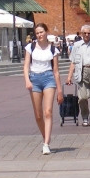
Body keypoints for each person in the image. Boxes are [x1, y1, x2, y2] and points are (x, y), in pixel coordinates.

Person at [23, 23, 64, 154]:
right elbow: (26, 66)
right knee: (38, 115)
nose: (40, 35)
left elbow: (56, 71)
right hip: (34, 79)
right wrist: (27, 80)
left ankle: (46, 143)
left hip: (48, 78)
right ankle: (45, 136)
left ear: (46, 32)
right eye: (37, 33)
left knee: (48, 111)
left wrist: (60, 91)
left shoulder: (53, 49)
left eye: (41, 32)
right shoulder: (30, 47)